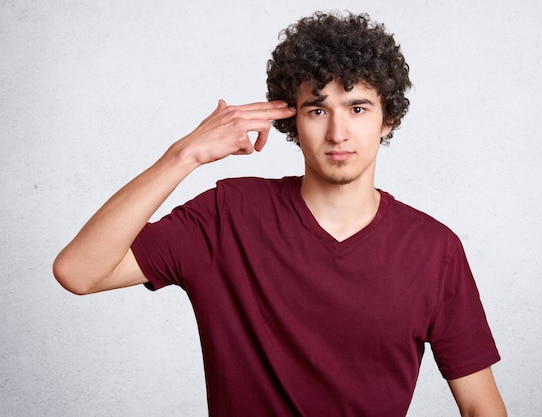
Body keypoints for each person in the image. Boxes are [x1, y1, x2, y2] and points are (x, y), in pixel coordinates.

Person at [53, 11, 506, 417]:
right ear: (291, 119)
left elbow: (479, 404)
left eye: (358, 108)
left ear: (387, 120)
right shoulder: (227, 216)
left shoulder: (433, 250)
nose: (337, 132)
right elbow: (79, 272)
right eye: (317, 109)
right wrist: (184, 155)